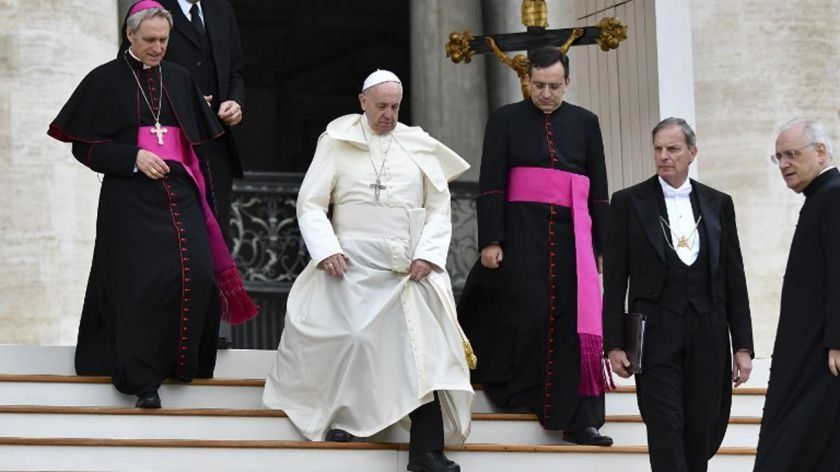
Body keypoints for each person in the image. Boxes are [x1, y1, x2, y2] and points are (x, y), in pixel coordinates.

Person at [47, 0, 256, 409]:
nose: (158, 48)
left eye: (163, 40)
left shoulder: (179, 78)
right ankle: (143, 382)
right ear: (130, 35)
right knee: (141, 285)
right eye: (150, 40)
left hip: (180, 192)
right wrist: (131, 157)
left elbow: (202, 137)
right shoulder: (105, 80)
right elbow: (82, 148)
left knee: (196, 270)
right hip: (129, 198)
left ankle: (183, 363)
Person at [262, 70, 474, 472]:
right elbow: (310, 203)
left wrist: (429, 254)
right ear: (363, 101)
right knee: (355, 338)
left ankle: (426, 452)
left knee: (424, 356)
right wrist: (326, 250)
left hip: (409, 269)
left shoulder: (418, 145)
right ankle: (346, 420)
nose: (389, 115)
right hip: (351, 265)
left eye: (395, 106)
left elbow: (439, 210)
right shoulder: (337, 143)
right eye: (381, 106)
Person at [457, 46, 613, 446]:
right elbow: (491, 182)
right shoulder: (505, 119)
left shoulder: (586, 122)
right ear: (527, 80)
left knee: (573, 321)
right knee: (529, 310)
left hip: (571, 234)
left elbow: (599, 191)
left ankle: (580, 420)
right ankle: (523, 395)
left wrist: (601, 243)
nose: (546, 94)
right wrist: (491, 239)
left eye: (554, 86)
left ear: (567, 83)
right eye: (539, 85)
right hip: (521, 231)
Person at [602, 117, 754, 472]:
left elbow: (735, 278)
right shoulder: (628, 202)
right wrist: (614, 344)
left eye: (673, 149)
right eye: (658, 149)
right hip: (655, 331)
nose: (664, 156)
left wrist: (743, 346)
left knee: (701, 425)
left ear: (692, 153)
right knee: (665, 424)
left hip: (708, 327)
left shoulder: (719, 203)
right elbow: (614, 281)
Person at [152, 0, 246, 348]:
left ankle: (207, 329)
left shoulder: (221, 10)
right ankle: (170, 329)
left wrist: (235, 102)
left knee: (214, 235)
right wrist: (183, 98)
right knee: (175, 234)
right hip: (173, 146)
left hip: (217, 144)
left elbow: (235, 72)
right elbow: (134, 70)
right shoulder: (153, 10)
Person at [754, 118, 840, 472]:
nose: (784, 164)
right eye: (778, 158)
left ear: (820, 152)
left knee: (792, 444)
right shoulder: (821, 195)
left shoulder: (833, 195)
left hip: (819, 351)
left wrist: (837, 340)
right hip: (811, 347)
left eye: (791, 154)